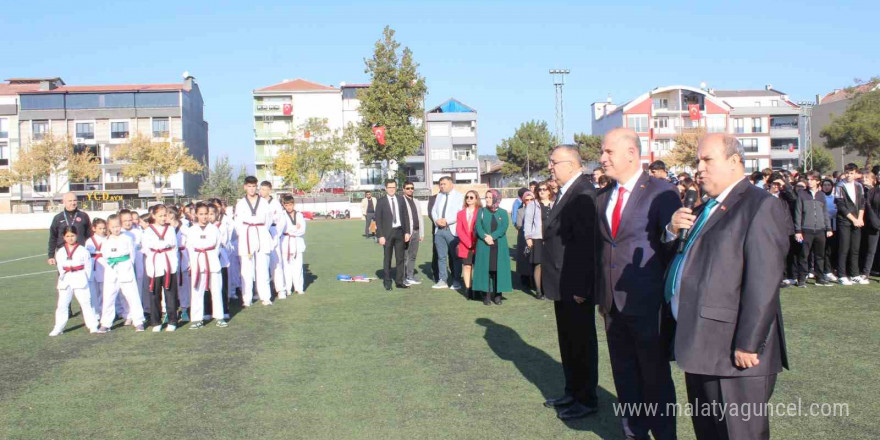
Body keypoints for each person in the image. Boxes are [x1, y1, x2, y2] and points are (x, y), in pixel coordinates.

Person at [666, 133, 789, 440]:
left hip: (734, 353)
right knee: (710, 432)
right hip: (699, 344)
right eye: (698, 160)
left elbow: (763, 282)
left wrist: (748, 342)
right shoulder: (706, 206)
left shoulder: (760, 206)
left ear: (735, 162)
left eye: (707, 160)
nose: (699, 168)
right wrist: (671, 231)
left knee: (738, 434)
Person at [594, 129, 681, 439]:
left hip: (648, 304)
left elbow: (674, 247)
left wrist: (671, 230)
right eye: (602, 153)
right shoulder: (603, 194)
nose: (602, 158)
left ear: (631, 153)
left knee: (655, 378)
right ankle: (633, 433)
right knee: (624, 376)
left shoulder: (662, 192)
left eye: (608, 152)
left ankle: (665, 435)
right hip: (611, 305)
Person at [541, 145, 600, 421]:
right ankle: (572, 391)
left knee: (581, 344)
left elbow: (586, 247)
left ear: (571, 164)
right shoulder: (568, 192)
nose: (550, 167)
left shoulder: (584, 193)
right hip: (561, 282)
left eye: (554, 162)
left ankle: (586, 398)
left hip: (574, 286)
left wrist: (581, 287)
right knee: (568, 342)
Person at [98, 214, 146, 333]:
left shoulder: (127, 238)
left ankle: (139, 321)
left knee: (132, 296)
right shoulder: (106, 241)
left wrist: (127, 265)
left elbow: (132, 255)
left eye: (118, 226)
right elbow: (103, 256)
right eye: (113, 227)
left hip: (125, 268)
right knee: (108, 297)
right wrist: (111, 265)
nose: (116, 229)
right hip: (111, 269)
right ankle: (106, 323)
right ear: (108, 227)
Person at [50, 226, 100, 336]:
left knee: (86, 303)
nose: (70, 238)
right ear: (63, 237)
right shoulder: (61, 252)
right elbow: (60, 266)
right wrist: (63, 276)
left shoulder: (83, 250)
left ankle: (92, 326)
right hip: (66, 278)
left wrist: (86, 279)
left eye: (72, 235)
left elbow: (88, 267)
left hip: (80, 277)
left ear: (76, 235)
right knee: (62, 305)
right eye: (67, 236)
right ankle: (58, 328)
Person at [235, 176, 275, 306]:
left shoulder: (263, 202)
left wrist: (261, 230)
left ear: (256, 187)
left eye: (254, 186)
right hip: (246, 234)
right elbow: (237, 223)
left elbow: (268, 220)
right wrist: (245, 234)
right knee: (246, 269)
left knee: (263, 267)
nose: (252, 189)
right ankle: (247, 298)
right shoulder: (240, 203)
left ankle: (265, 296)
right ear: (245, 187)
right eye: (249, 186)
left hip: (261, 232)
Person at [187, 202, 228, 329]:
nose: (204, 217)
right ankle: (197, 318)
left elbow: (217, 246)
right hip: (198, 261)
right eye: (201, 214)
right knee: (197, 291)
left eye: (206, 214)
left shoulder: (214, 229)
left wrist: (212, 257)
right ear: (196, 215)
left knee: (216, 289)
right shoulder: (192, 230)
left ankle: (219, 316)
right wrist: (193, 262)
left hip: (212, 260)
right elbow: (189, 247)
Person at [142, 204, 180, 332]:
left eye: (165, 215)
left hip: (168, 263)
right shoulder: (148, 230)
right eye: (160, 216)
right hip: (154, 263)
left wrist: (170, 258)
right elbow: (146, 247)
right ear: (153, 216)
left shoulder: (170, 229)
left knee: (170, 292)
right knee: (154, 293)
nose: (163, 218)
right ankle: (156, 321)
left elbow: (174, 245)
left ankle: (172, 320)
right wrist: (157, 250)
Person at [794, 170, 834, 287]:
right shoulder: (802, 194)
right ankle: (801, 279)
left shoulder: (821, 195)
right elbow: (798, 213)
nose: (809, 181)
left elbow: (825, 212)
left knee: (820, 255)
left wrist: (828, 228)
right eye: (808, 179)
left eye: (812, 179)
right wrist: (798, 230)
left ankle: (820, 278)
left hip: (820, 230)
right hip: (806, 229)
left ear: (817, 181)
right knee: (804, 255)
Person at [473, 189, 512, 305]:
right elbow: (478, 226)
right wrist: (485, 237)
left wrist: (492, 237)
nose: (487, 199)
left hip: (499, 246)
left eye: (490, 197)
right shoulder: (481, 211)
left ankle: (498, 295)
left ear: (496, 198)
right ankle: (486, 295)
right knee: (486, 269)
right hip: (484, 245)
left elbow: (504, 227)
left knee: (497, 269)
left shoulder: (503, 213)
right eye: (486, 197)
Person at [375, 179, 411, 291]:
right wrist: (380, 235)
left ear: (396, 188)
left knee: (400, 258)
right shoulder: (381, 201)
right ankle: (387, 282)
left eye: (393, 187)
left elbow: (405, 216)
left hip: (400, 232)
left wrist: (407, 232)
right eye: (389, 187)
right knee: (388, 259)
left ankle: (399, 281)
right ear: (386, 188)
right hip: (387, 234)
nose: (391, 189)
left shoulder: (401, 199)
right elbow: (378, 220)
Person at [835, 163, 867, 285]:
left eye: (852, 173)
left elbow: (862, 203)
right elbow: (840, 205)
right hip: (845, 221)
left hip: (857, 221)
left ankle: (855, 274)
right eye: (847, 172)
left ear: (856, 174)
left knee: (855, 249)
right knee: (844, 248)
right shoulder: (840, 186)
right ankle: (842, 275)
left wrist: (860, 218)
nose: (849, 175)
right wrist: (853, 219)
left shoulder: (859, 186)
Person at [430, 176, 464, 290]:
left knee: (455, 257)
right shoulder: (439, 196)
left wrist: (447, 221)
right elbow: (433, 211)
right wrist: (437, 220)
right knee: (441, 257)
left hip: (452, 230)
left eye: (444, 184)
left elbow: (460, 212)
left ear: (451, 184)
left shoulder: (459, 196)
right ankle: (442, 280)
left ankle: (456, 281)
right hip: (439, 230)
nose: (441, 186)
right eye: (440, 184)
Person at [523, 181, 553, 299]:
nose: (541, 191)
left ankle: (548, 290)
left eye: (544, 189)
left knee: (549, 265)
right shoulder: (533, 205)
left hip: (551, 239)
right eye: (540, 189)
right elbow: (528, 222)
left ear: (549, 191)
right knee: (538, 265)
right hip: (537, 238)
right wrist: (528, 237)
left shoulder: (554, 204)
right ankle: (539, 291)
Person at [47, 192, 92, 267]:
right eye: (70, 201)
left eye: (74, 200)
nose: (73, 203)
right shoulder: (58, 218)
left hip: (80, 251)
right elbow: (53, 237)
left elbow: (89, 235)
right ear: (64, 202)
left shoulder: (83, 216)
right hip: (63, 252)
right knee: (63, 276)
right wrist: (51, 256)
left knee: (81, 275)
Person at [276, 194, 307, 295]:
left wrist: (291, 230)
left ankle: (299, 287)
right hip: (286, 243)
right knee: (286, 267)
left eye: (291, 205)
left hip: (297, 243)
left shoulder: (299, 215)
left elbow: (302, 230)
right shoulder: (282, 215)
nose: (289, 207)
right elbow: (281, 230)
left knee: (298, 267)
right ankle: (288, 288)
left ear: (294, 204)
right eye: (286, 205)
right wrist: (295, 228)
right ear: (283, 205)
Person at [456, 190, 481, 300]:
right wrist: (468, 242)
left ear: (476, 199)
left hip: (479, 244)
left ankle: (477, 289)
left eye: (471, 197)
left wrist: (474, 241)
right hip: (465, 245)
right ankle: (468, 289)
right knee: (467, 266)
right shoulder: (460, 213)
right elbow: (459, 230)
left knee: (478, 267)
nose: (469, 199)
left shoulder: (481, 212)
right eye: (467, 197)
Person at [401, 182, 424, 286]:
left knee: (413, 256)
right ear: (403, 189)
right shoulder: (401, 201)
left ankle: (410, 276)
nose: (410, 190)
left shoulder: (416, 201)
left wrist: (421, 233)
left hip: (416, 231)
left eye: (412, 188)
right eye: (408, 188)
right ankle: (402, 277)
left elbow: (420, 217)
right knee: (404, 256)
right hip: (406, 233)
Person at [85, 218, 107, 319]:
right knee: (94, 290)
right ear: (94, 228)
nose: (102, 230)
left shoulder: (108, 239)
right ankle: (96, 312)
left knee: (104, 290)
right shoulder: (89, 241)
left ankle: (104, 311)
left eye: (104, 228)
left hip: (104, 264)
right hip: (94, 265)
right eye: (100, 228)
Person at [861, 172, 880, 282]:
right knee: (871, 250)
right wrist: (876, 222)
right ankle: (865, 273)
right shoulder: (872, 191)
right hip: (873, 224)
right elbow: (868, 207)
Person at [514, 188, 534, 289]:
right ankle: (525, 279)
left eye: (531, 199)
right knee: (524, 259)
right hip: (523, 237)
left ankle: (535, 280)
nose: (529, 201)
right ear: (523, 201)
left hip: (535, 237)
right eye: (527, 200)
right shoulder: (520, 210)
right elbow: (518, 224)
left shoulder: (538, 210)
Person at [821, 178, 839, 282]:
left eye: (829, 185)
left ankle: (833, 268)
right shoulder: (820, 196)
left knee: (833, 248)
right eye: (825, 185)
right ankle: (826, 270)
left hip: (835, 225)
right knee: (825, 249)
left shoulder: (835, 197)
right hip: (824, 225)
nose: (827, 187)